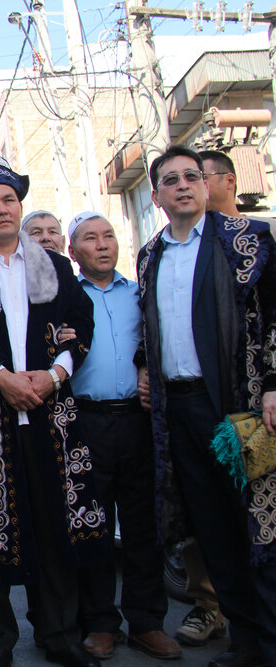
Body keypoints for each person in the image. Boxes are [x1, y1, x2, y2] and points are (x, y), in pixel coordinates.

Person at [0, 153, 110, 667]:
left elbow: (80, 321)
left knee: (55, 524)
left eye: (9, 199)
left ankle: (58, 634)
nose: (2, 209)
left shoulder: (55, 265)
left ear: (20, 205)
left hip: (51, 415)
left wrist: (54, 373)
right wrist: (0, 377)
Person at [136, 145, 276, 667]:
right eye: (170, 180)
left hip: (241, 406)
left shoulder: (249, 241)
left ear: (208, 183)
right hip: (180, 411)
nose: (183, 185)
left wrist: (274, 384)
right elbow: (151, 327)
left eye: (191, 176)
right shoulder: (150, 255)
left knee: (261, 528)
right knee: (215, 530)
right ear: (156, 196)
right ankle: (246, 644)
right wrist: (144, 365)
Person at [63, 211, 180, 661]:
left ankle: (148, 621)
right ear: (74, 252)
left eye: (108, 235)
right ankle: (101, 623)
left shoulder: (139, 295)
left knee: (141, 524)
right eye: (90, 239)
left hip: (137, 420)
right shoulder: (66, 299)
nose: (103, 244)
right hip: (85, 421)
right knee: (92, 525)